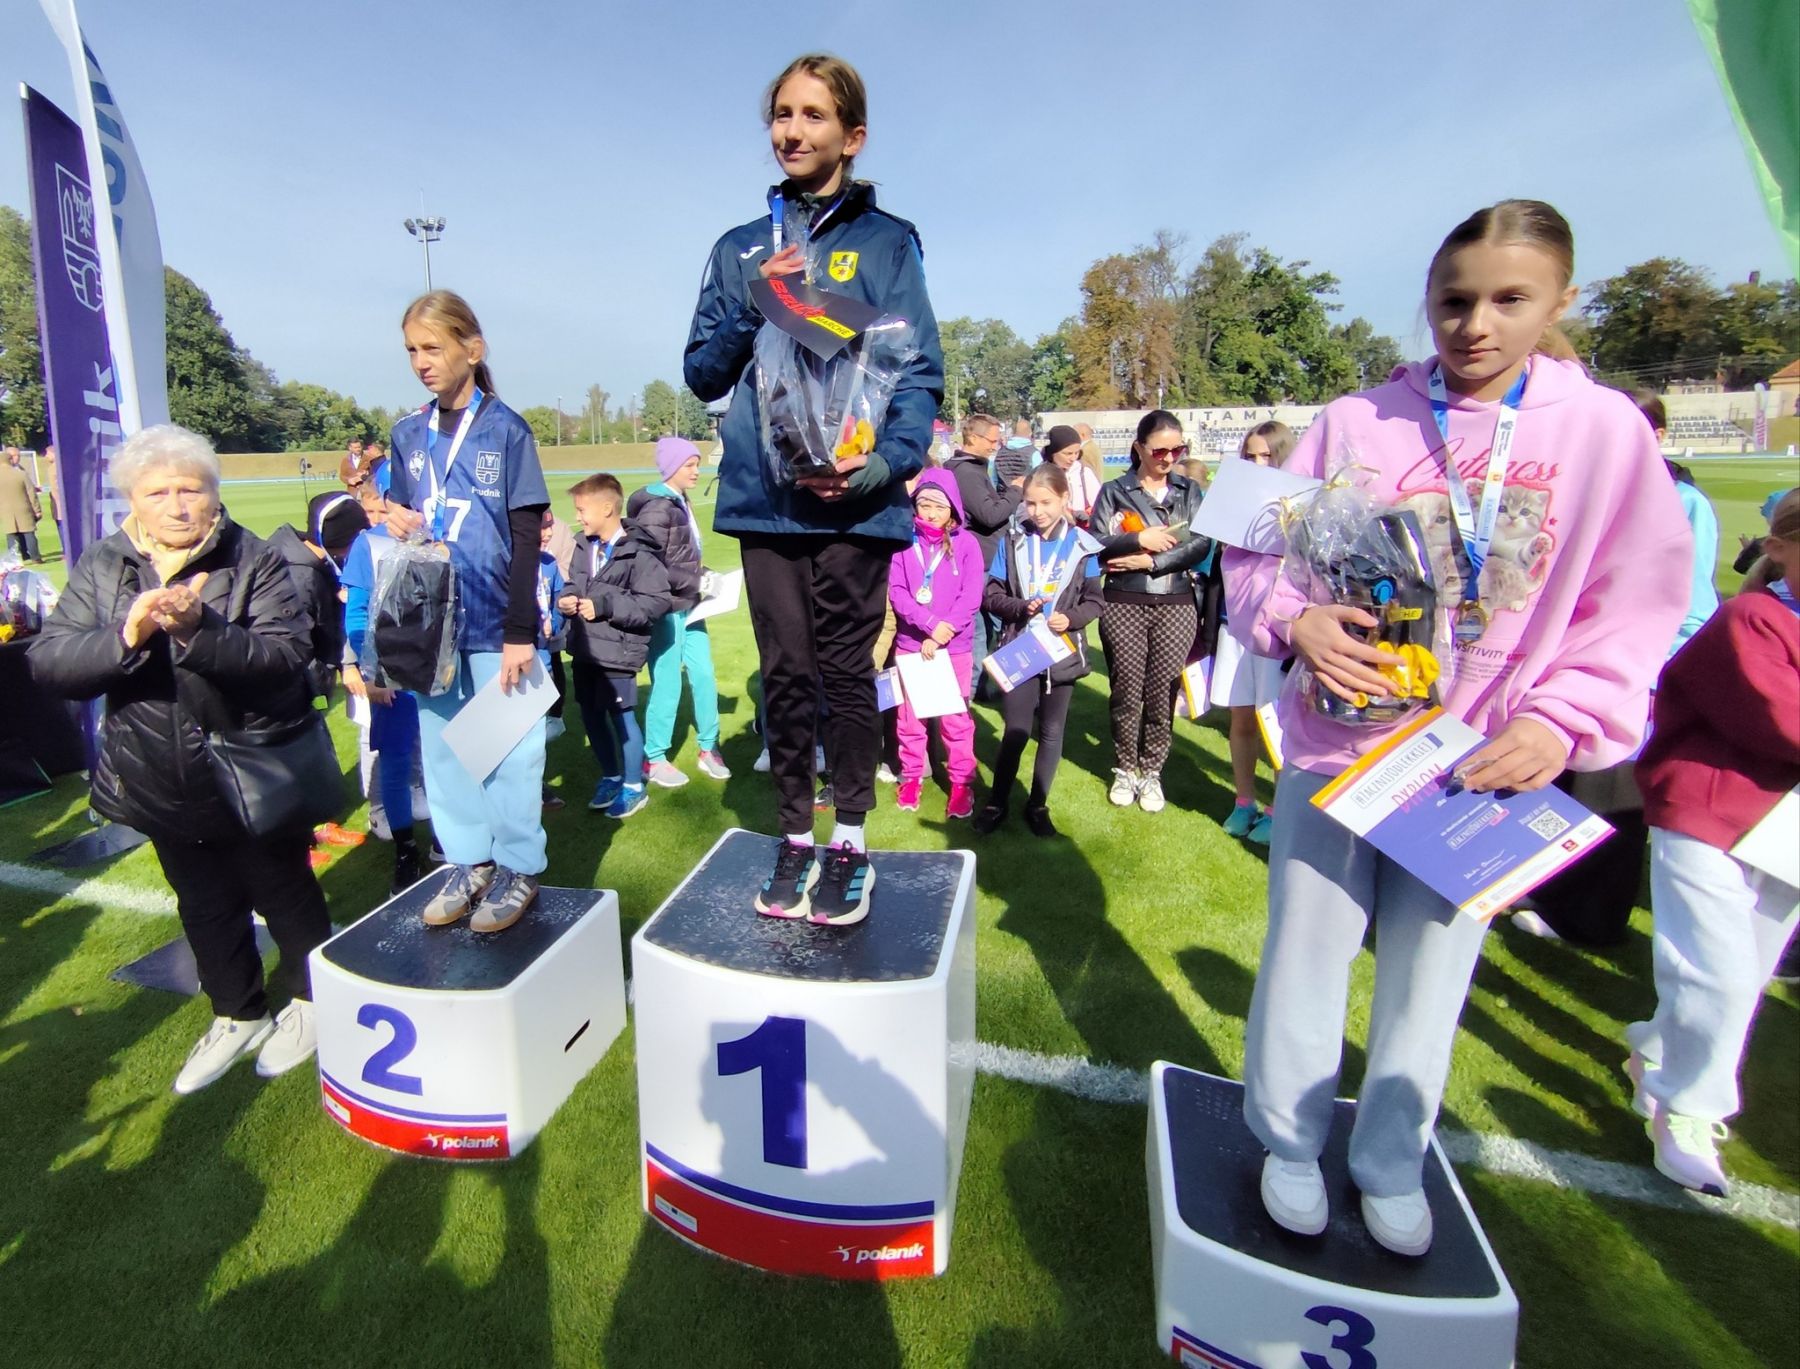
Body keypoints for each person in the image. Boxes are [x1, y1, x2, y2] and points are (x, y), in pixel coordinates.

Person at [1223, 199, 1692, 1256]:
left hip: (1481, 764)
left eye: (1509, 299)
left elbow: (1637, 600)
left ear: (1561, 300)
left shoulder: (1607, 431)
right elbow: (1247, 548)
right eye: (1453, 300)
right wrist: (1294, 619)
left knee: (1432, 976)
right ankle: (1288, 1142)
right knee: (1305, 952)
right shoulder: (1353, 417)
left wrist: (1565, 720)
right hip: (1342, 743)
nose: (1476, 324)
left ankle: (1391, 1160)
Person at [684, 52, 943, 926]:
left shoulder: (888, 242)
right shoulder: (739, 248)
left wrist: (885, 464)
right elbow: (702, 372)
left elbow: (917, 370)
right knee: (786, 674)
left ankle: (852, 842)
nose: (791, 131)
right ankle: (795, 835)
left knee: (844, 674)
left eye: (813, 115)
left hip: (855, 502)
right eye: (782, 114)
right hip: (767, 501)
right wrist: (756, 301)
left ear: (853, 136)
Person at [29, 424, 332, 1093]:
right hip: (155, 773)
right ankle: (237, 1012)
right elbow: (50, 661)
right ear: (133, 500)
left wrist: (201, 630)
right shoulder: (105, 562)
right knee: (202, 902)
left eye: (190, 489)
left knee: (284, 891)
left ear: (213, 492)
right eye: (157, 492)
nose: (176, 505)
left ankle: (313, 1002)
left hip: (249, 770)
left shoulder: (254, 557)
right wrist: (126, 636)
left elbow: (285, 657)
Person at [1626, 487, 1799, 1196]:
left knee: (1744, 973)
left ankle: (1654, 1047)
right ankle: (1689, 1109)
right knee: (1718, 973)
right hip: (1707, 807)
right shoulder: (1751, 618)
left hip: (1783, 828)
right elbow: (1780, 719)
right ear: (1780, 548)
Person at [384, 290, 551, 934]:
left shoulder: (506, 429)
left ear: (472, 350)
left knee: (508, 753)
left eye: (432, 347)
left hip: (494, 622)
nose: (420, 362)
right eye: (411, 350)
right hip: (431, 627)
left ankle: (519, 867)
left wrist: (520, 633)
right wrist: (395, 519)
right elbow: (408, 519)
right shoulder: (407, 434)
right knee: (447, 753)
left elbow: (527, 536)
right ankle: (470, 861)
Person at [1092, 411, 1213, 812]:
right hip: (1123, 601)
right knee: (1126, 690)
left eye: (1178, 450)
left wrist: (1151, 562)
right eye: (1160, 450)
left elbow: (1200, 543)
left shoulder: (1189, 490)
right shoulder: (1114, 491)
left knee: (1163, 691)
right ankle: (1125, 767)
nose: (1169, 458)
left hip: (1176, 602)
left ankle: (1152, 771)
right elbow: (1095, 541)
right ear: (1139, 448)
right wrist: (1137, 538)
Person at [973, 464, 1104, 837]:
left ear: (1064, 499)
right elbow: (991, 595)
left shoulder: (1083, 546)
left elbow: (1095, 601)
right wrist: (1020, 607)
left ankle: (1038, 805)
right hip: (1021, 647)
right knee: (1016, 729)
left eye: (1046, 502)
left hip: (1061, 650)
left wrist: (1070, 618)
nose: (1037, 511)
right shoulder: (1013, 540)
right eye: (1030, 503)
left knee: (1051, 731)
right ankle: (997, 802)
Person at [559, 473, 670, 818]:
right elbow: (573, 583)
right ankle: (610, 776)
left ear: (607, 508)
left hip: (618, 652)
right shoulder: (582, 544)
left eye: (582, 510)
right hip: (585, 648)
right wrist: (567, 598)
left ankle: (634, 787)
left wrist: (605, 606)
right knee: (591, 715)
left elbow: (655, 603)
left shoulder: (640, 552)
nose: (577, 517)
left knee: (622, 718)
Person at [341, 482, 428, 892]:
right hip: (394, 672)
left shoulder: (447, 532)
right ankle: (405, 849)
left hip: (445, 669)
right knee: (395, 760)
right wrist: (371, 670)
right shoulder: (370, 544)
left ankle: (450, 842)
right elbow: (357, 613)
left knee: (451, 757)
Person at [630, 436, 729, 787]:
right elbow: (651, 565)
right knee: (668, 682)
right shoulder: (658, 508)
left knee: (704, 675)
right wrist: (698, 580)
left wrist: (706, 576)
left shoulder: (680, 500)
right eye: (689, 465)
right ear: (671, 467)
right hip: (667, 609)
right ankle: (654, 758)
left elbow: (683, 557)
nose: (697, 471)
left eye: (697, 464)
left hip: (691, 604)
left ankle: (709, 747)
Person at [1212, 421, 1294, 844]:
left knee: (1275, 721)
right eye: (1250, 455)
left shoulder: (1299, 506)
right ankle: (1244, 801)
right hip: (1234, 625)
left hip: (1275, 632)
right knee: (1241, 716)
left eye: (1267, 455)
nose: (1258, 463)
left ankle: (1280, 810)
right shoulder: (1232, 502)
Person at [887, 469, 984, 819]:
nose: (929, 513)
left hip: (953, 647)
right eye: (924, 504)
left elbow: (971, 595)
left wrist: (945, 630)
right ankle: (912, 776)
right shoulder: (903, 540)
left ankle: (961, 784)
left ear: (952, 509)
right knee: (910, 718)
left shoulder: (967, 544)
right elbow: (897, 592)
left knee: (955, 720)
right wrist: (929, 625)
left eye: (938, 507)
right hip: (912, 644)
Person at [944, 413, 1024, 689]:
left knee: (989, 627)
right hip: (980, 562)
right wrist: (1014, 492)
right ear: (973, 438)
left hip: (985, 558)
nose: (995, 446)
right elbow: (989, 515)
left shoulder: (972, 469)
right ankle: (971, 691)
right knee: (979, 629)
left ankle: (984, 687)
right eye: (992, 440)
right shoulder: (966, 472)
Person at [1044, 424, 1101, 527]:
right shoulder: (1042, 474)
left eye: (1076, 453)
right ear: (1053, 453)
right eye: (1068, 453)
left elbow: (1099, 503)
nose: (1073, 458)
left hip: (1082, 530)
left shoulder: (1084, 472)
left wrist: (1088, 514)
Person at [2, 446, 43, 562]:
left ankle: (14, 559)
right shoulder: (20, 474)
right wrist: (37, 510)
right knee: (29, 533)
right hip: (23, 507)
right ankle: (35, 557)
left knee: (11, 535)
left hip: (6, 510)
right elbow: (31, 493)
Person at [996, 418, 1036, 488]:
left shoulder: (999, 453)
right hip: (1024, 492)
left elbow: (994, 479)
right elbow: (1040, 479)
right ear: (1030, 433)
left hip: (1003, 493)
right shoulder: (1034, 453)